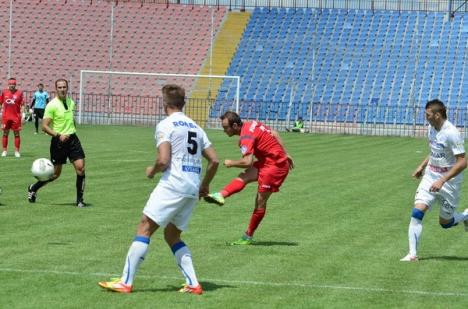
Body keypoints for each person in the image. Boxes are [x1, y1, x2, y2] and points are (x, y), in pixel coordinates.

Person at [98, 84, 219, 294]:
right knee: (172, 235)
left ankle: (125, 282)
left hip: (173, 183)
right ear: (183, 103)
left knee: (145, 226)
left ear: (165, 104)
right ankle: (193, 284)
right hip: (191, 187)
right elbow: (214, 161)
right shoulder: (196, 127)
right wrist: (205, 184)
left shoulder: (166, 125)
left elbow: (163, 160)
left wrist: (152, 170)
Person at [204, 111, 294, 245]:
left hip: (276, 166)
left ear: (235, 126)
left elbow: (247, 162)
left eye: (225, 127)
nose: (224, 131)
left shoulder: (246, 136)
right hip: (268, 161)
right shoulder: (251, 124)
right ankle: (220, 195)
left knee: (260, 201)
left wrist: (231, 163)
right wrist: (286, 153)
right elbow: (274, 133)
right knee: (244, 176)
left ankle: (248, 236)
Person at [401, 99, 468, 262]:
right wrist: (421, 166)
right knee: (417, 212)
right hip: (430, 176)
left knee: (445, 223)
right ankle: (412, 254)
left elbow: (463, 161)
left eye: (427, 114)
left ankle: (466, 216)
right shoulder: (431, 129)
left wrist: (442, 180)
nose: (425, 117)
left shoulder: (452, 133)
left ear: (437, 115)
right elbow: (434, 151)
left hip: (449, 181)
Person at [27, 79, 87, 207]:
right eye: (60, 87)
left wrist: (71, 131)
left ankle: (79, 200)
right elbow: (44, 126)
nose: (62, 89)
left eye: (64, 87)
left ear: (67, 88)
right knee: (55, 174)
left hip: (73, 140)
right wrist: (58, 135)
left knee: (81, 168)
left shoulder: (71, 103)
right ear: (56, 89)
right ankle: (33, 188)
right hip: (58, 142)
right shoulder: (52, 105)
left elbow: (71, 121)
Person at [0, 78, 24, 157]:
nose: (11, 85)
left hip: (16, 117)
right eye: (10, 84)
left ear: (15, 84)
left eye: (13, 84)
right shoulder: (4, 92)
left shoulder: (19, 93)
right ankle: (4, 151)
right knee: (5, 133)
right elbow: (0, 103)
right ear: (8, 84)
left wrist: (22, 115)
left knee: (16, 134)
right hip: (6, 117)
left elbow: (22, 104)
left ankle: (17, 151)